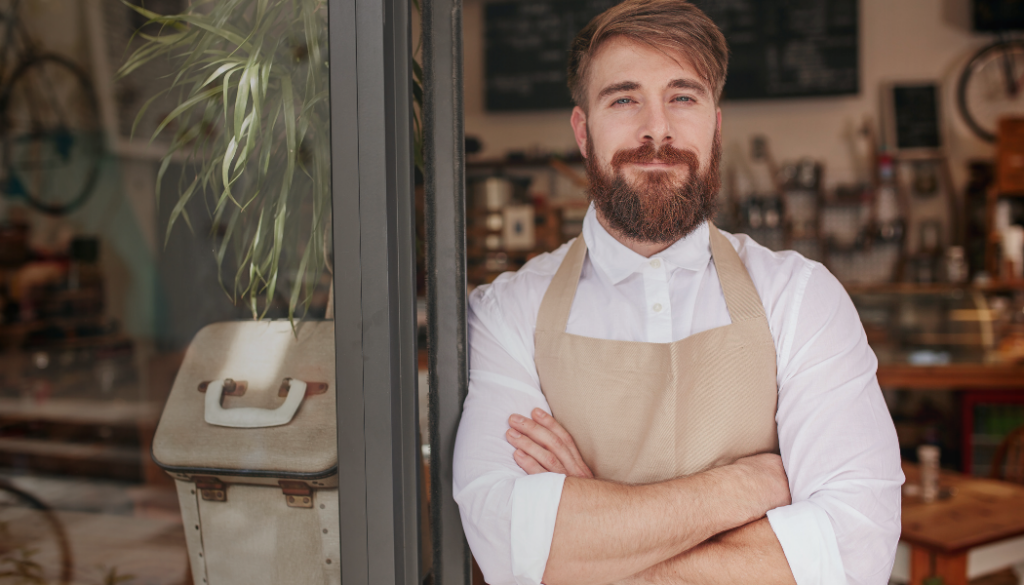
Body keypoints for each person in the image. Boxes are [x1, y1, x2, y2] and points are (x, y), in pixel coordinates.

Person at [452, 0, 904, 583]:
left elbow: (854, 554)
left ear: (716, 125)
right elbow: (506, 549)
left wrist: (595, 543)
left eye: (683, 97)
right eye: (624, 99)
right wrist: (748, 486)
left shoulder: (801, 298)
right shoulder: (506, 313)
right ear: (583, 131)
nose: (657, 129)